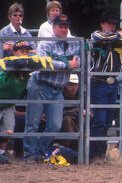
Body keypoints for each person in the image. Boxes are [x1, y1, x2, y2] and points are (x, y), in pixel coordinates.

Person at [23, 14, 80, 164]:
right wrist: (66, 64)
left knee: (55, 124)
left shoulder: (74, 43)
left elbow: (78, 62)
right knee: (33, 122)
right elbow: (43, 64)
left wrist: (69, 64)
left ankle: (40, 151)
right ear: (53, 28)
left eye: (66, 26)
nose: (63, 29)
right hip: (40, 85)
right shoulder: (45, 43)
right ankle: (30, 155)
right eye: (60, 26)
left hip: (57, 88)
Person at [89, 11, 122, 161]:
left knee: (107, 120)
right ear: (102, 24)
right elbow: (100, 37)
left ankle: (100, 153)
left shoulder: (114, 37)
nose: (110, 26)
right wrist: (119, 34)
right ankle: (93, 154)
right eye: (108, 23)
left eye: (113, 24)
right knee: (100, 120)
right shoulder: (96, 35)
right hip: (99, 81)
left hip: (112, 83)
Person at [0, 42, 42, 164]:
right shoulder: (10, 61)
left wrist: (34, 55)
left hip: (9, 104)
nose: (24, 53)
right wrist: (31, 57)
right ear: (14, 52)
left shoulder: (27, 68)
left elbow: (38, 63)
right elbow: (20, 62)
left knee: (8, 130)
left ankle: (1, 154)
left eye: (26, 51)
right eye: (21, 50)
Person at [58, 74, 81, 151]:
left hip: (76, 121)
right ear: (65, 85)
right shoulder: (59, 94)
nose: (74, 88)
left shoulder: (82, 94)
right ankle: (71, 148)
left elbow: (90, 111)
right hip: (61, 123)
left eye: (76, 84)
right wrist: (77, 111)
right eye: (71, 84)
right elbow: (57, 112)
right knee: (67, 120)